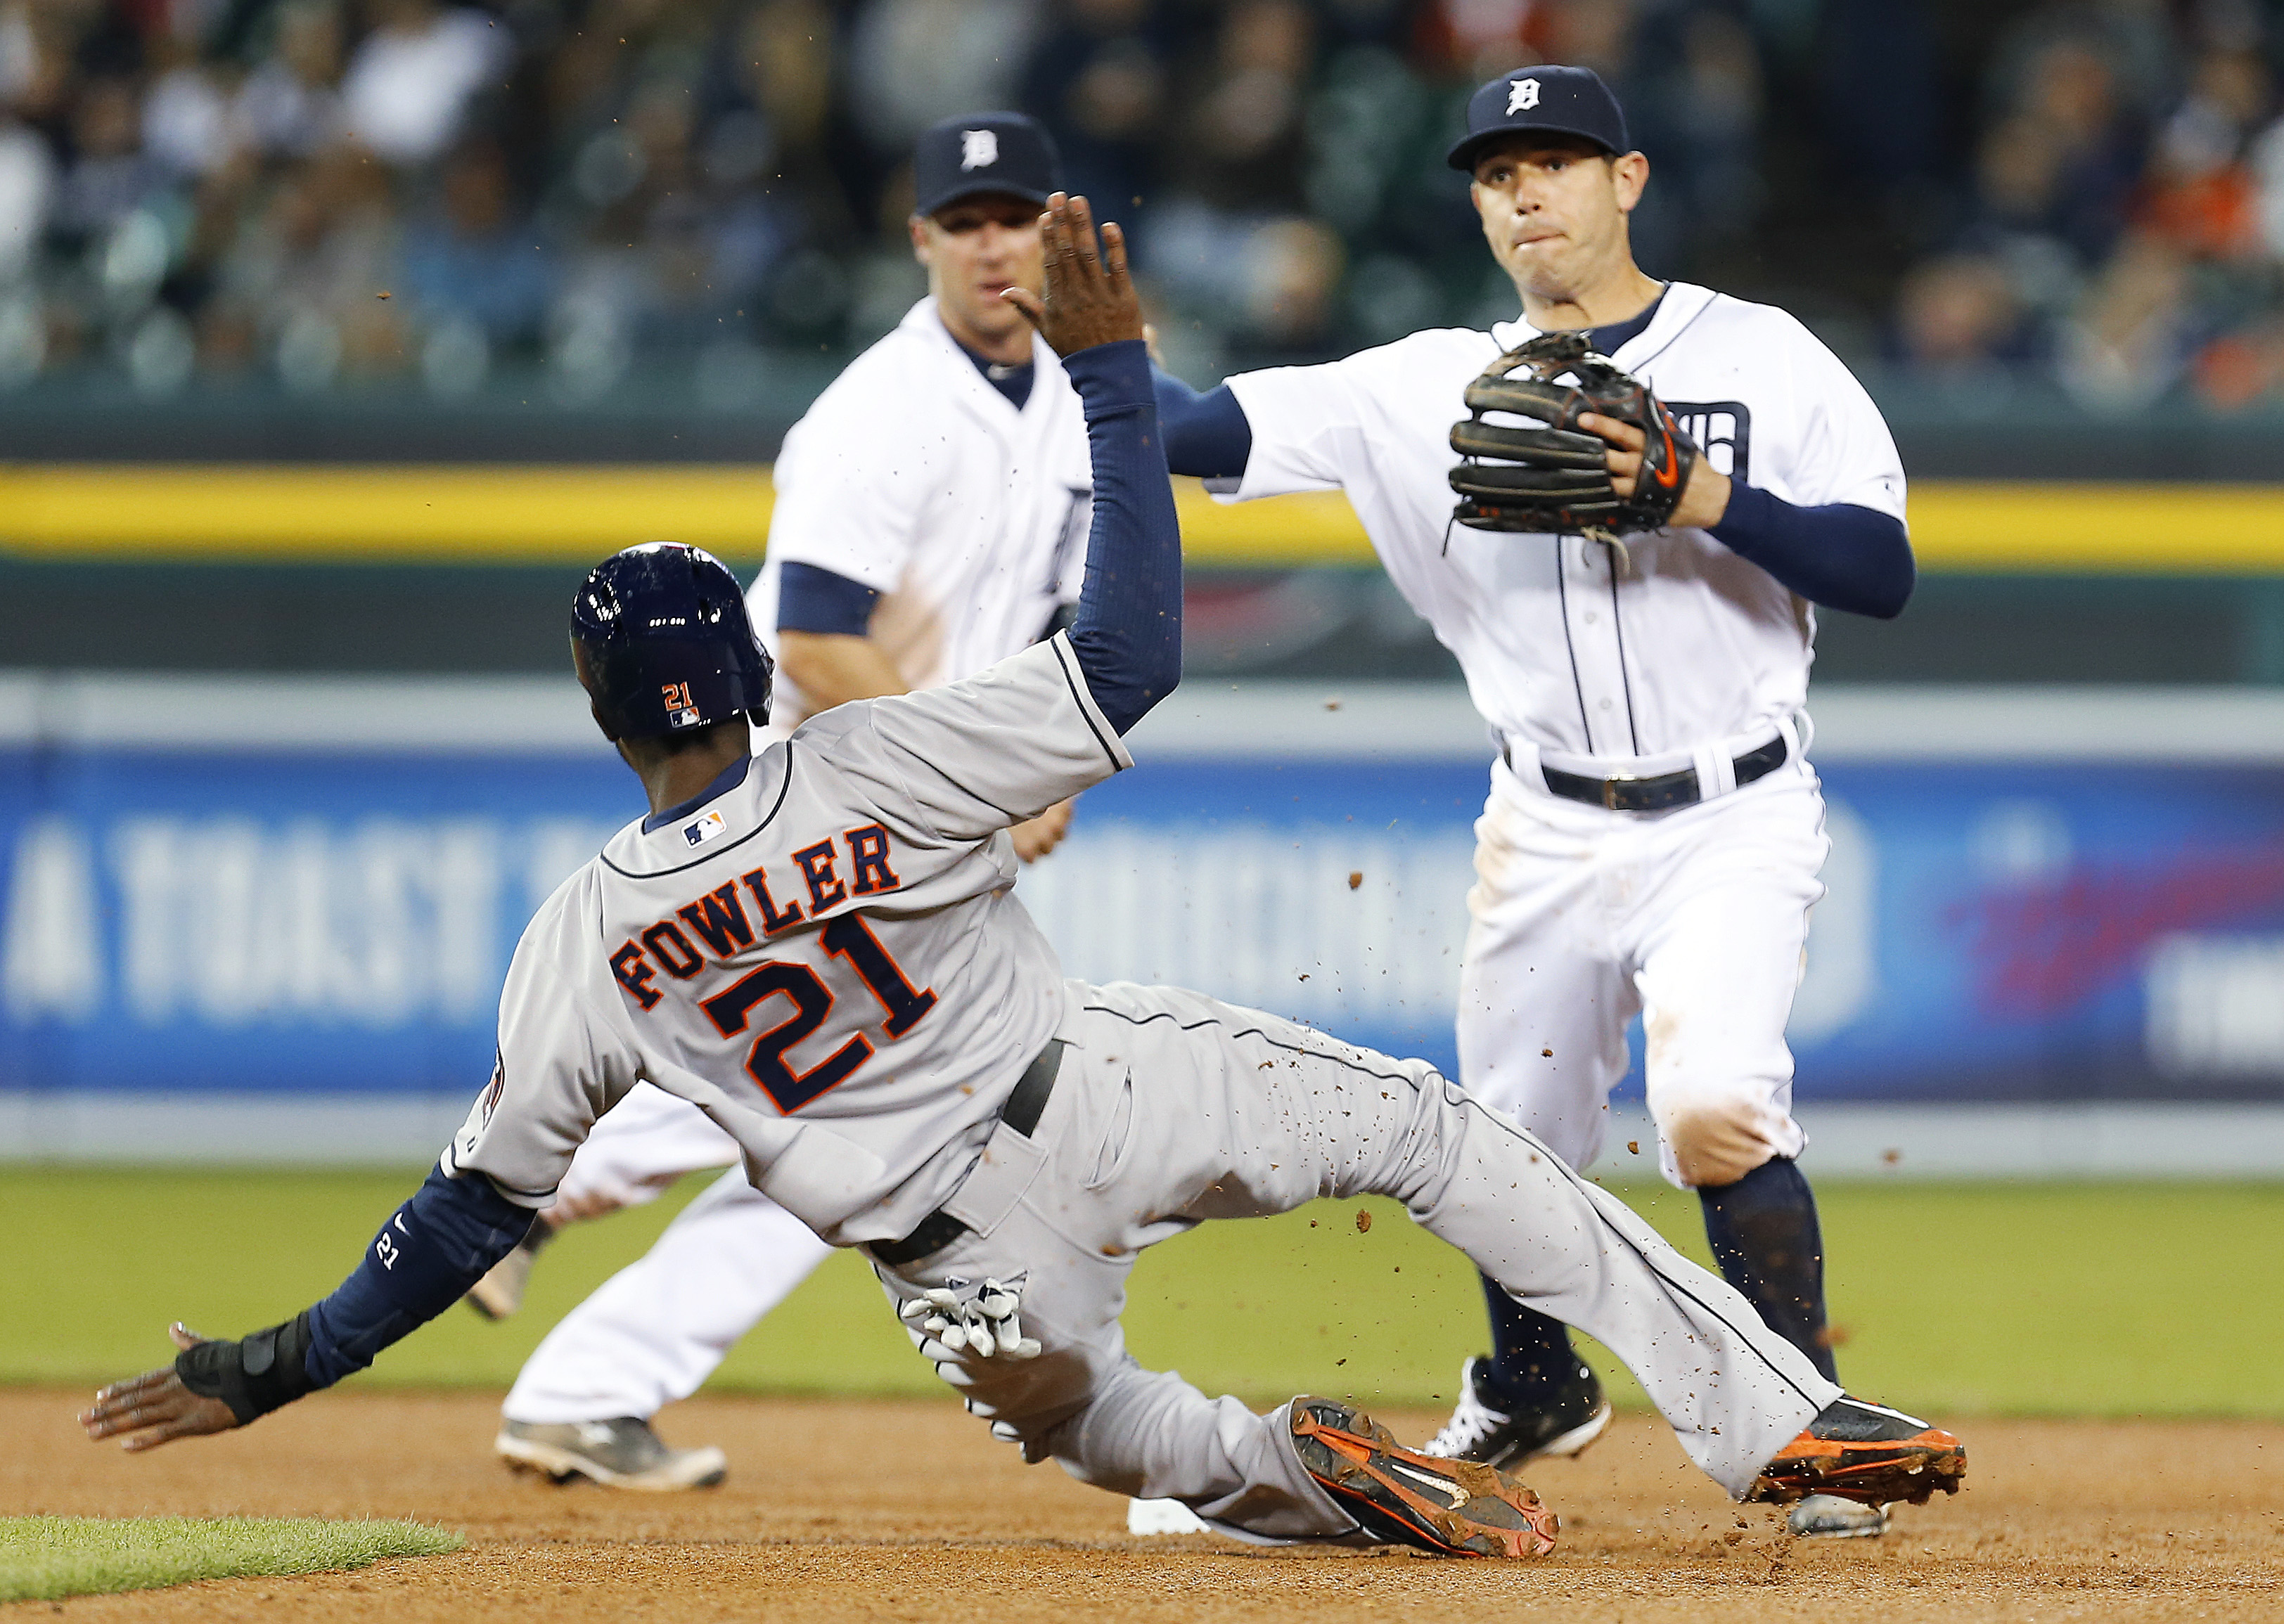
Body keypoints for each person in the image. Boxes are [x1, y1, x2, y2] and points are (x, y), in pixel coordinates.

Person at [82, 195, 1963, 1559]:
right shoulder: (870, 753)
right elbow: (1130, 659)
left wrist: (271, 1364)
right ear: (746, 665)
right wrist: (1125, 392)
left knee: (1117, 1427)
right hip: (1098, 1087)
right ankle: (1781, 1415)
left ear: (596, 711)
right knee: (1452, 1140)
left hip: (947, 1260)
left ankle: (1293, 1465)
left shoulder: (585, 939)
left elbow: (460, 1221)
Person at [1150, 66, 1919, 1539]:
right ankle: (1530, 1386)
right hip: (1543, 823)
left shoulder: (1761, 354)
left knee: (1713, 1107)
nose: (1526, 195)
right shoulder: (1417, 383)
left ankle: (1807, 1421)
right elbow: (1195, 435)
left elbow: (1879, 573)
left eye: (1556, 164)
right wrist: (1090, 356)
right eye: (1498, 174)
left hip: (1731, 812)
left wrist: (1705, 496)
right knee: (1500, 1149)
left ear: (1626, 181)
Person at [465, 112, 1104, 1492]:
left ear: (1058, 232)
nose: (997, 245)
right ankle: (534, 1229)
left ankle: (557, 1295)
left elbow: (1049, 615)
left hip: (899, 807)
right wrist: (986, 785)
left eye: (1018, 218)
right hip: (796, 794)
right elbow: (814, 635)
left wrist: (1022, 760)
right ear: (921, 237)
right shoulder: (883, 408)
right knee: (879, 1120)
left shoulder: (1072, 398)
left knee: (842, 1125)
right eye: (969, 219)